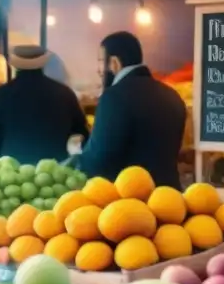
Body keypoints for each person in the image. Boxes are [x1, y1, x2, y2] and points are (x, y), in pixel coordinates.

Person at [76, 31, 187, 187]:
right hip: (170, 199)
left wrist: (77, 154)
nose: (98, 70)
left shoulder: (114, 97)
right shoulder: (172, 95)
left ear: (114, 63)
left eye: (101, 61)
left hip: (130, 201)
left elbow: (98, 160)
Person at [0, 45, 91, 164]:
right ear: (43, 62)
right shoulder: (64, 93)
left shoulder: (2, 94)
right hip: (55, 168)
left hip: (13, 168)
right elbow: (81, 131)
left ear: (15, 64)